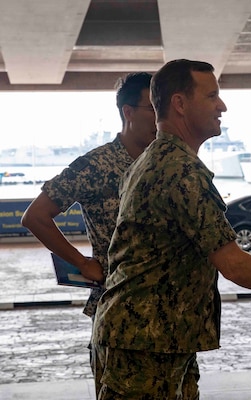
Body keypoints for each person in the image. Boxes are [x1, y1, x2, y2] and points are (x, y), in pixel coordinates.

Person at [91, 59, 251, 399]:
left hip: (155, 336)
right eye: (211, 96)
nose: (222, 106)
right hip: (146, 342)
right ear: (180, 103)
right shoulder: (179, 171)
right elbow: (233, 263)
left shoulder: (154, 159)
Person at [21, 72, 156, 323]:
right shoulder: (95, 165)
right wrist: (81, 262)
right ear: (128, 112)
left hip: (170, 311)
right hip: (119, 312)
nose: (161, 119)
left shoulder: (168, 164)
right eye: (153, 109)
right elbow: (35, 217)